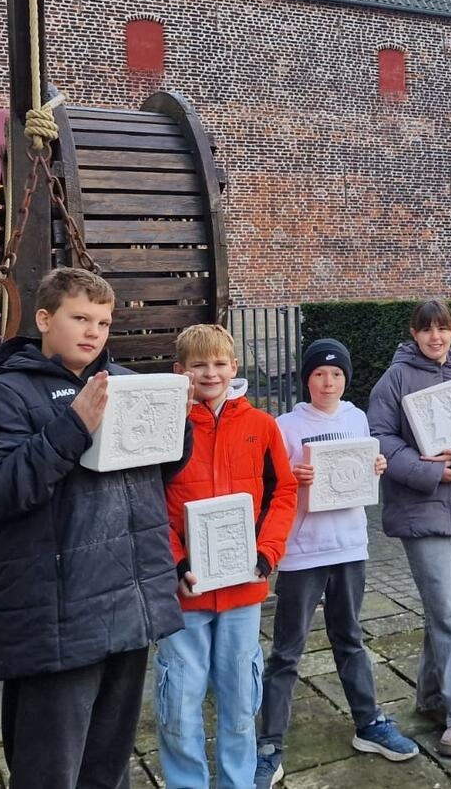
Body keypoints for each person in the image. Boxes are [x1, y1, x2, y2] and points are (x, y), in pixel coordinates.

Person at [0, 267, 191, 789]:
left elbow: (154, 478)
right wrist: (73, 426)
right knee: (50, 772)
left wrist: (179, 429)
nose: (93, 332)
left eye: (104, 322)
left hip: (131, 607)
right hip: (59, 615)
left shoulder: (128, 385)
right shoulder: (4, 395)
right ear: (44, 318)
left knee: (107, 768)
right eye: (80, 317)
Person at [255, 338, 419, 787]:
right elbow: (270, 483)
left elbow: (360, 469)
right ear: (306, 379)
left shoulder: (357, 417)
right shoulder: (284, 425)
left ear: (346, 379)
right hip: (302, 549)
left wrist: (377, 465)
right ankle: (269, 744)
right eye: (319, 375)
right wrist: (292, 474)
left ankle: (369, 723)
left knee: (350, 638)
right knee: (287, 650)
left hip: (349, 545)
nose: (328, 382)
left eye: (337, 375)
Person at [157, 323, 298, 789]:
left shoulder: (263, 426)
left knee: (240, 700)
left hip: (242, 588)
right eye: (199, 365)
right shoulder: (166, 429)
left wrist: (267, 551)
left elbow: (283, 492)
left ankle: (238, 783)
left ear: (234, 367)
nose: (210, 373)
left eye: (219, 363)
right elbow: (151, 505)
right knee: (179, 701)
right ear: (181, 371)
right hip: (186, 592)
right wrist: (176, 563)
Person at [366, 299, 451, 758]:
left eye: (442, 329)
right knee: (447, 608)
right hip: (419, 511)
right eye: (427, 330)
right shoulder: (395, 379)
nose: (435, 338)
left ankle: (432, 695)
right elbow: (381, 439)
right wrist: (430, 472)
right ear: (414, 332)